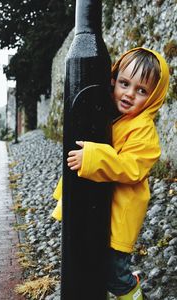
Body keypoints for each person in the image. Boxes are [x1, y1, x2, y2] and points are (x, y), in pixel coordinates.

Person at [52, 47, 169, 299]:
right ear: (113, 80)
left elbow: (132, 167)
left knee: (115, 275)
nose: (129, 94)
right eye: (125, 83)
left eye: (141, 90)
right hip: (98, 209)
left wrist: (94, 157)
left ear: (153, 97)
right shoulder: (108, 113)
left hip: (119, 216)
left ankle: (133, 291)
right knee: (89, 260)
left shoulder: (143, 129)